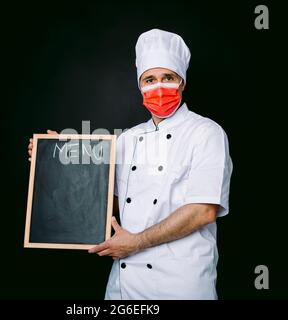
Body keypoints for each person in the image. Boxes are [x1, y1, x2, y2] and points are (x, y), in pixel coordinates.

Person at [28, 29, 232, 300]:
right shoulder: (127, 139)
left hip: (181, 284)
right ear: (140, 86)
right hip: (124, 286)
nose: (158, 87)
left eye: (167, 78)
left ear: (181, 82)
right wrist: (54, 156)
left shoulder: (206, 133)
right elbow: (104, 203)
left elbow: (203, 210)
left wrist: (136, 242)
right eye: (149, 80)